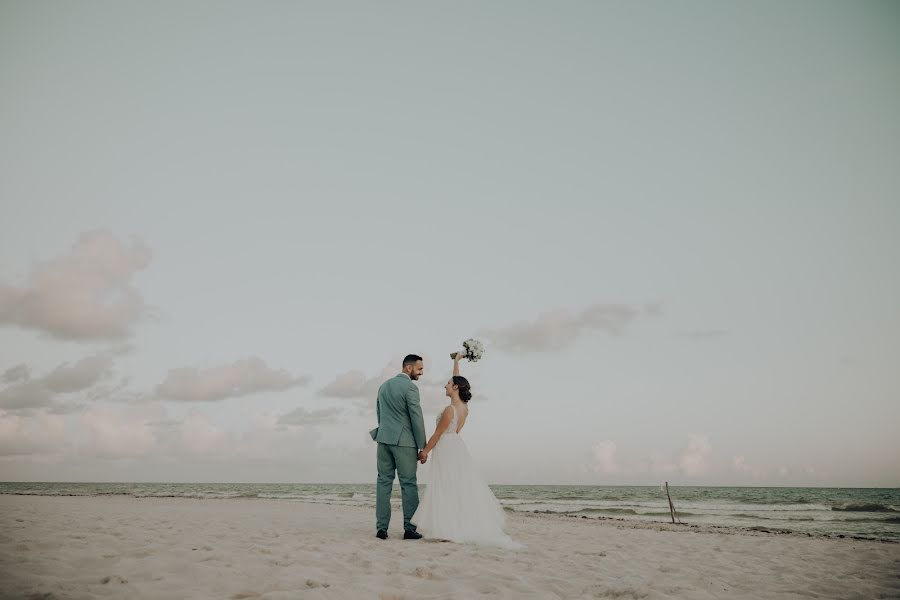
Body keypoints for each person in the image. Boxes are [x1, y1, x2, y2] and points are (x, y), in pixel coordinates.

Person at [410, 353, 519, 548]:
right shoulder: (464, 408)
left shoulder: (450, 410)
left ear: (455, 387)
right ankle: (452, 526)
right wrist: (456, 362)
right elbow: (458, 381)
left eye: (448, 383)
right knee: (454, 486)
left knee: (446, 486)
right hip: (456, 447)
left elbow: (436, 435)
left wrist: (424, 452)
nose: (445, 385)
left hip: (446, 447)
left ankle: (448, 529)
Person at [370, 354, 427, 540]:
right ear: (409, 368)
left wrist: (385, 432)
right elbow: (416, 418)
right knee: (408, 484)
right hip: (404, 442)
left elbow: (379, 413)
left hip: (383, 439)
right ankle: (409, 529)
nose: (421, 373)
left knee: (383, 482)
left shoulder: (383, 386)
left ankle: (381, 529)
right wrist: (422, 447)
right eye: (419, 369)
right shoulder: (410, 388)